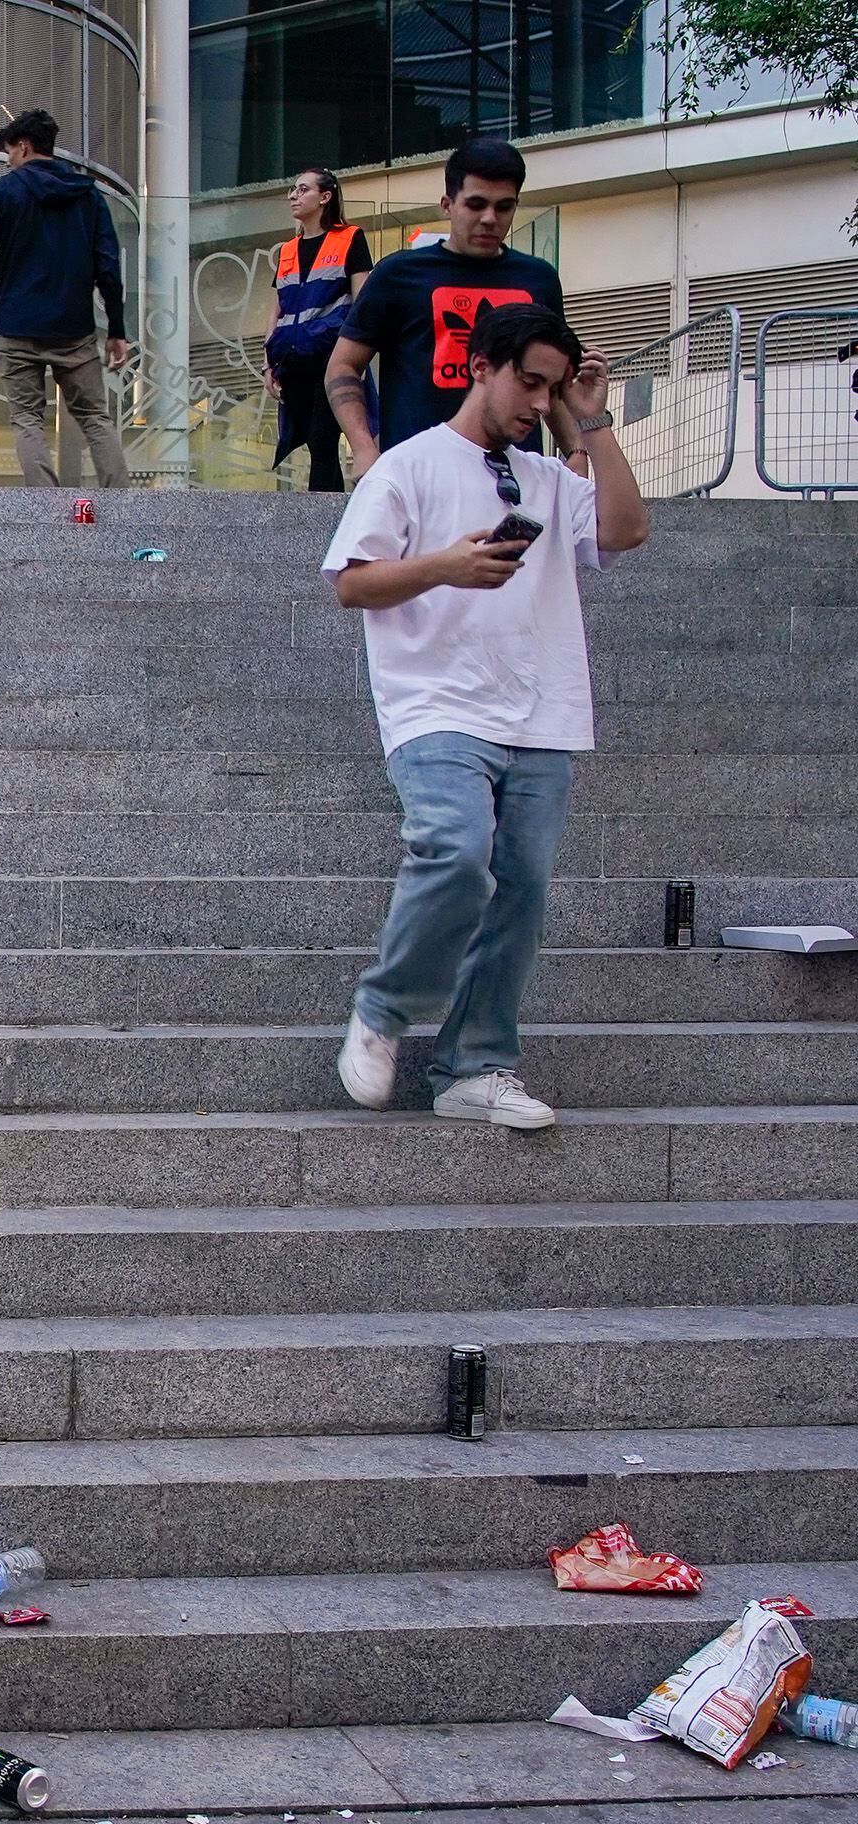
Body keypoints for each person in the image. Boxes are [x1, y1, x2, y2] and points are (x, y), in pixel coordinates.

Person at [325, 303, 647, 1131]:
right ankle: (385, 1007)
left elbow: (625, 528)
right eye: (528, 383)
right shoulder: (410, 465)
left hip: (543, 713)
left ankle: (474, 1066)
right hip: (436, 707)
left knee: (521, 894)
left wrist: (594, 417)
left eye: (552, 389)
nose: (538, 404)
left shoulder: (546, 479)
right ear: (479, 367)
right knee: (458, 851)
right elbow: (353, 582)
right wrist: (446, 567)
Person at [325, 138, 564, 477]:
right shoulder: (398, 274)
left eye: (504, 207)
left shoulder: (538, 279)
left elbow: (555, 383)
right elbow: (342, 366)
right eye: (476, 204)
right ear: (447, 204)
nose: (489, 219)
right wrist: (364, 448)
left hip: (515, 477)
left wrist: (577, 451)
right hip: (419, 477)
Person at [0, 108, 132, 490]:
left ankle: (45, 506)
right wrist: (117, 329)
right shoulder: (87, 196)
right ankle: (123, 502)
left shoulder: (4, 190)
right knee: (94, 417)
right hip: (74, 329)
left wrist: (9, 272)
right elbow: (108, 266)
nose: (9, 161)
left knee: (27, 418)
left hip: (18, 325)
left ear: (23, 147)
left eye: (9, 153)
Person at [263, 168, 373, 494]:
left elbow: (362, 302)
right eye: (292, 190)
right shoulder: (287, 250)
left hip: (331, 356)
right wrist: (269, 364)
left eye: (302, 189)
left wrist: (358, 359)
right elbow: (277, 309)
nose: (293, 196)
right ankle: (328, 519)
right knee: (314, 442)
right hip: (293, 357)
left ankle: (323, 522)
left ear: (325, 197)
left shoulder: (350, 237)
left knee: (323, 438)